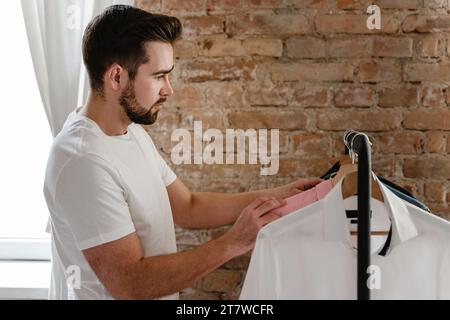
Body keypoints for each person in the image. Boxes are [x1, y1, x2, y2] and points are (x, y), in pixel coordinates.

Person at [43, 5, 321, 300]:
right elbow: (130, 283)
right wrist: (233, 242)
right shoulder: (82, 160)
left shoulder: (131, 132)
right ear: (116, 78)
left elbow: (188, 206)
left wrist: (280, 196)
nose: (168, 89)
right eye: (159, 76)